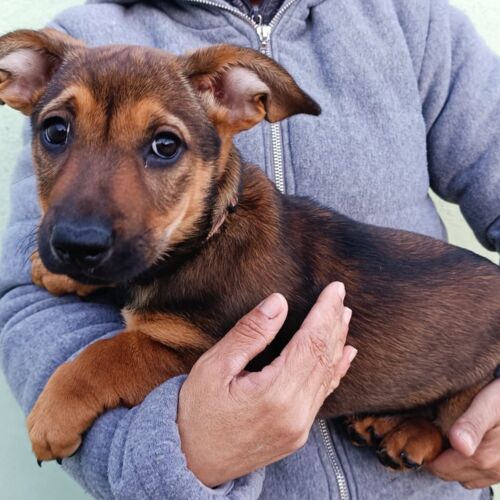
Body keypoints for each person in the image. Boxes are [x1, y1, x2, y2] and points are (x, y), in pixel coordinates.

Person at [1, 0, 499, 498]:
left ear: (239, 100)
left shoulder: (411, 20)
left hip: (468, 366)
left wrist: (85, 382)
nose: (81, 229)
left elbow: (182, 349)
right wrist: (146, 453)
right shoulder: (79, 37)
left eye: (164, 145)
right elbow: (28, 307)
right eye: (58, 132)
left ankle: (426, 419)